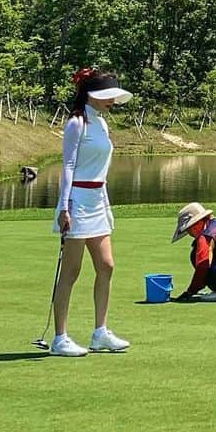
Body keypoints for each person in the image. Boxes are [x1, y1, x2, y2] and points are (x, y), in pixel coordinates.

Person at [49, 68, 133, 357]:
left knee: (107, 265)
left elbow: (102, 171)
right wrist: (64, 206)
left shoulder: (102, 124)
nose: (111, 102)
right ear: (92, 96)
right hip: (78, 201)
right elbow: (69, 167)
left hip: (98, 199)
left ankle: (100, 332)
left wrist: (107, 205)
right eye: (106, 97)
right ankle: (60, 338)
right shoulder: (76, 123)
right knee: (71, 272)